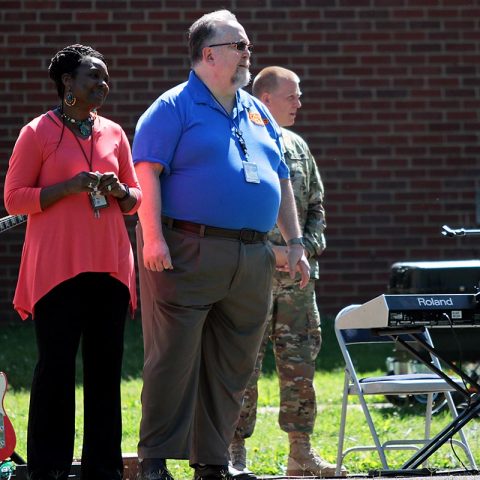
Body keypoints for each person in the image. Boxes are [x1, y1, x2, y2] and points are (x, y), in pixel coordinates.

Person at [132, 10, 310, 480]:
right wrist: (153, 238)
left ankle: (212, 462)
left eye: (247, 45)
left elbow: (280, 177)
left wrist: (294, 242)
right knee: (173, 359)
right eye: (240, 45)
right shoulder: (173, 107)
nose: (248, 53)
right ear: (209, 54)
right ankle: (154, 460)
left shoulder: (256, 110)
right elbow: (146, 171)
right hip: (187, 246)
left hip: (252, 254)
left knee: (233, 364)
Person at [3, 44, 142, 480]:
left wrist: (118, 191)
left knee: (106, 373)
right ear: (67, 83)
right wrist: (68, 187)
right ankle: (49, 470)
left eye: (105, 77)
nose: (102, 85)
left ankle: (103, 470)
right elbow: (14, 198)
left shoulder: (115, 133)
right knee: (56, 371)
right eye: (92, 77)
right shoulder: (37, 132)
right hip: (57, 269)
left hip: (110, 267)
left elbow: (136, 200)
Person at [229, 66, 346, 478]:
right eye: (292, 96)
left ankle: (301, 454)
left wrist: (305, 250)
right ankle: (233, 454)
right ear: (265, 99)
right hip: (252, 280)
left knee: (301, 370)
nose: (299, 103)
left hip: (297, 287)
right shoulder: (240, 143)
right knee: (241, 367)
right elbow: (231, 214)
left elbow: (316, 209)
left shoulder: (297, 146)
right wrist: (272, 254)